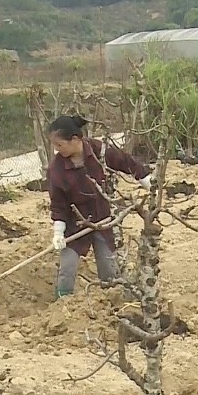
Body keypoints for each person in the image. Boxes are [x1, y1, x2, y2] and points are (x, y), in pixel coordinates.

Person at [46, 115, 152, 298]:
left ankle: (110, 302)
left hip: (103, 219)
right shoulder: (56, 170)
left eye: (59, 145)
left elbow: (125, 162)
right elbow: (58, 204)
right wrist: (58, 232)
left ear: (75, 139)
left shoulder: (99, 152)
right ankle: (63, 303)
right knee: (67, 269)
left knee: (109, 269)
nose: (57, 150)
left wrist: (148, 182)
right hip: (75, 224)